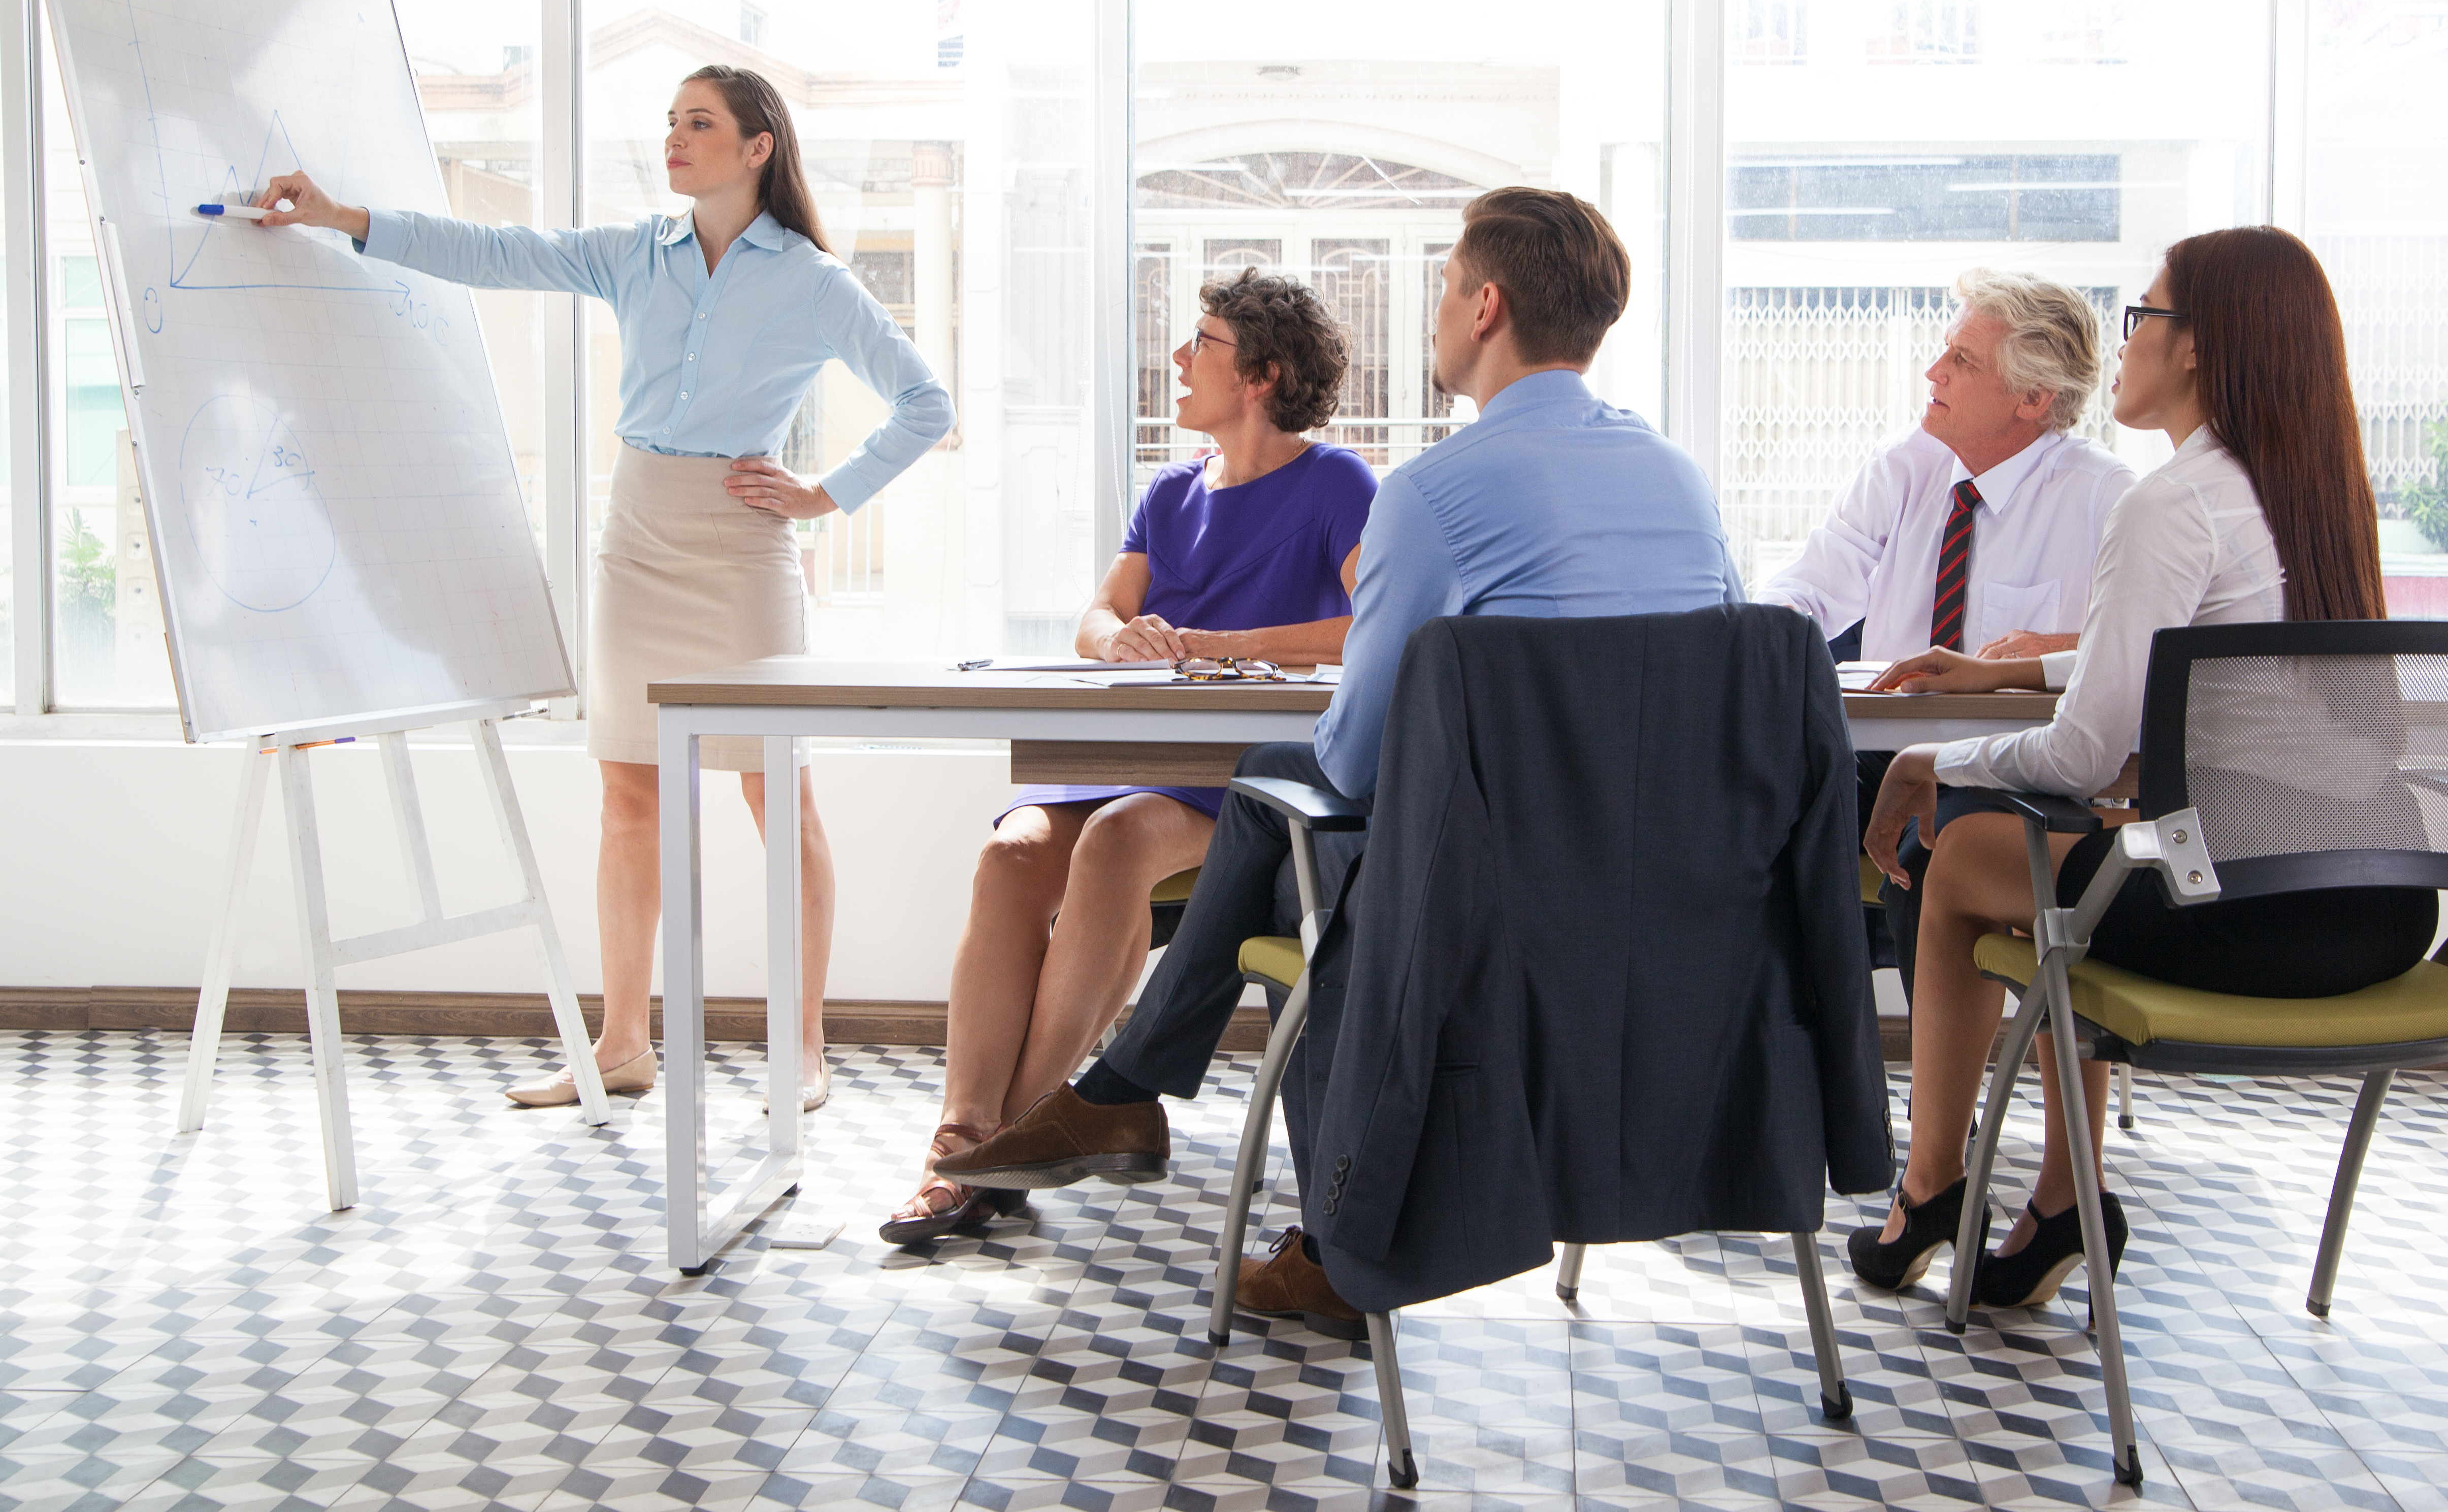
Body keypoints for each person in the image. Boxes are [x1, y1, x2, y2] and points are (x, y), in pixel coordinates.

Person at [938, 186, 1744, 1337]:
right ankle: (1124, 1098)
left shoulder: (1431, 494)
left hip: (1478, 905)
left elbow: (1355, 761)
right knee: (1269, 808)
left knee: (1297, 835)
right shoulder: (1682, 484)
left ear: (1488, 305)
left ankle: (1163, 1118)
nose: (1435, 314)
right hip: (1664, 897)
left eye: (1443, 287)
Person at [252, 65, 954, 1114]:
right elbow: (495, 254)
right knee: (628, 794)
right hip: (637, 536)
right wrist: (340, 218)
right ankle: (624, 1041)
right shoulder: (639, 253)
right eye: (670, 122)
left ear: (758, 147)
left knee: (777, 792)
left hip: (743, 547)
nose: (674, 138)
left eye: (699, 124)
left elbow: (924, 402)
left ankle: (802, 1049)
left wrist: (826, 495)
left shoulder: (811, 279)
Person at [1848, 226, 2416, 1310]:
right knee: (2069, 849)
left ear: (2198, 347)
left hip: (2238, 917)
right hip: (2377, 913)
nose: (2129, 339)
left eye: (2143, 315)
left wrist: (1928, 754)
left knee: (1970, 848)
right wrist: (2023, 671)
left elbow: (2083, 749)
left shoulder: (2170, 503)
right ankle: (2064, 1198)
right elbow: (2189, 662)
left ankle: (1931, 1187)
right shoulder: (2311, 496)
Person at [883, 269, 1376, 1243]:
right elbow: (1097, 613)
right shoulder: (1171, 488)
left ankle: (1007, 1143)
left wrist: (1226, 645)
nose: (1181, 360)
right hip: (1131, 749)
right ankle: (965, 1133)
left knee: (1114, 840)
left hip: (1238, 777)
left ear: (1264, 376)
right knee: (1013, 851)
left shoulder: (1337, 482)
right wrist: (1120, 640)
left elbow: (1369, 621)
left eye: (1203, 343)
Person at [1756, 269, 2134, 979]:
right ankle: (1793, 1070)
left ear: (2033, 398)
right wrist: (1760, 634)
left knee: (1932, 848)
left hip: (2018, 771)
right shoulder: (1907, 466)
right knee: (1752, 819)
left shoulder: (2104, 497)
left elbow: (2141, 652)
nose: (1935, 371)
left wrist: (2060, 648)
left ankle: (1919, 1090)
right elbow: (1813, 584)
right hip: (1879, 755)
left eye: (1963, 360)